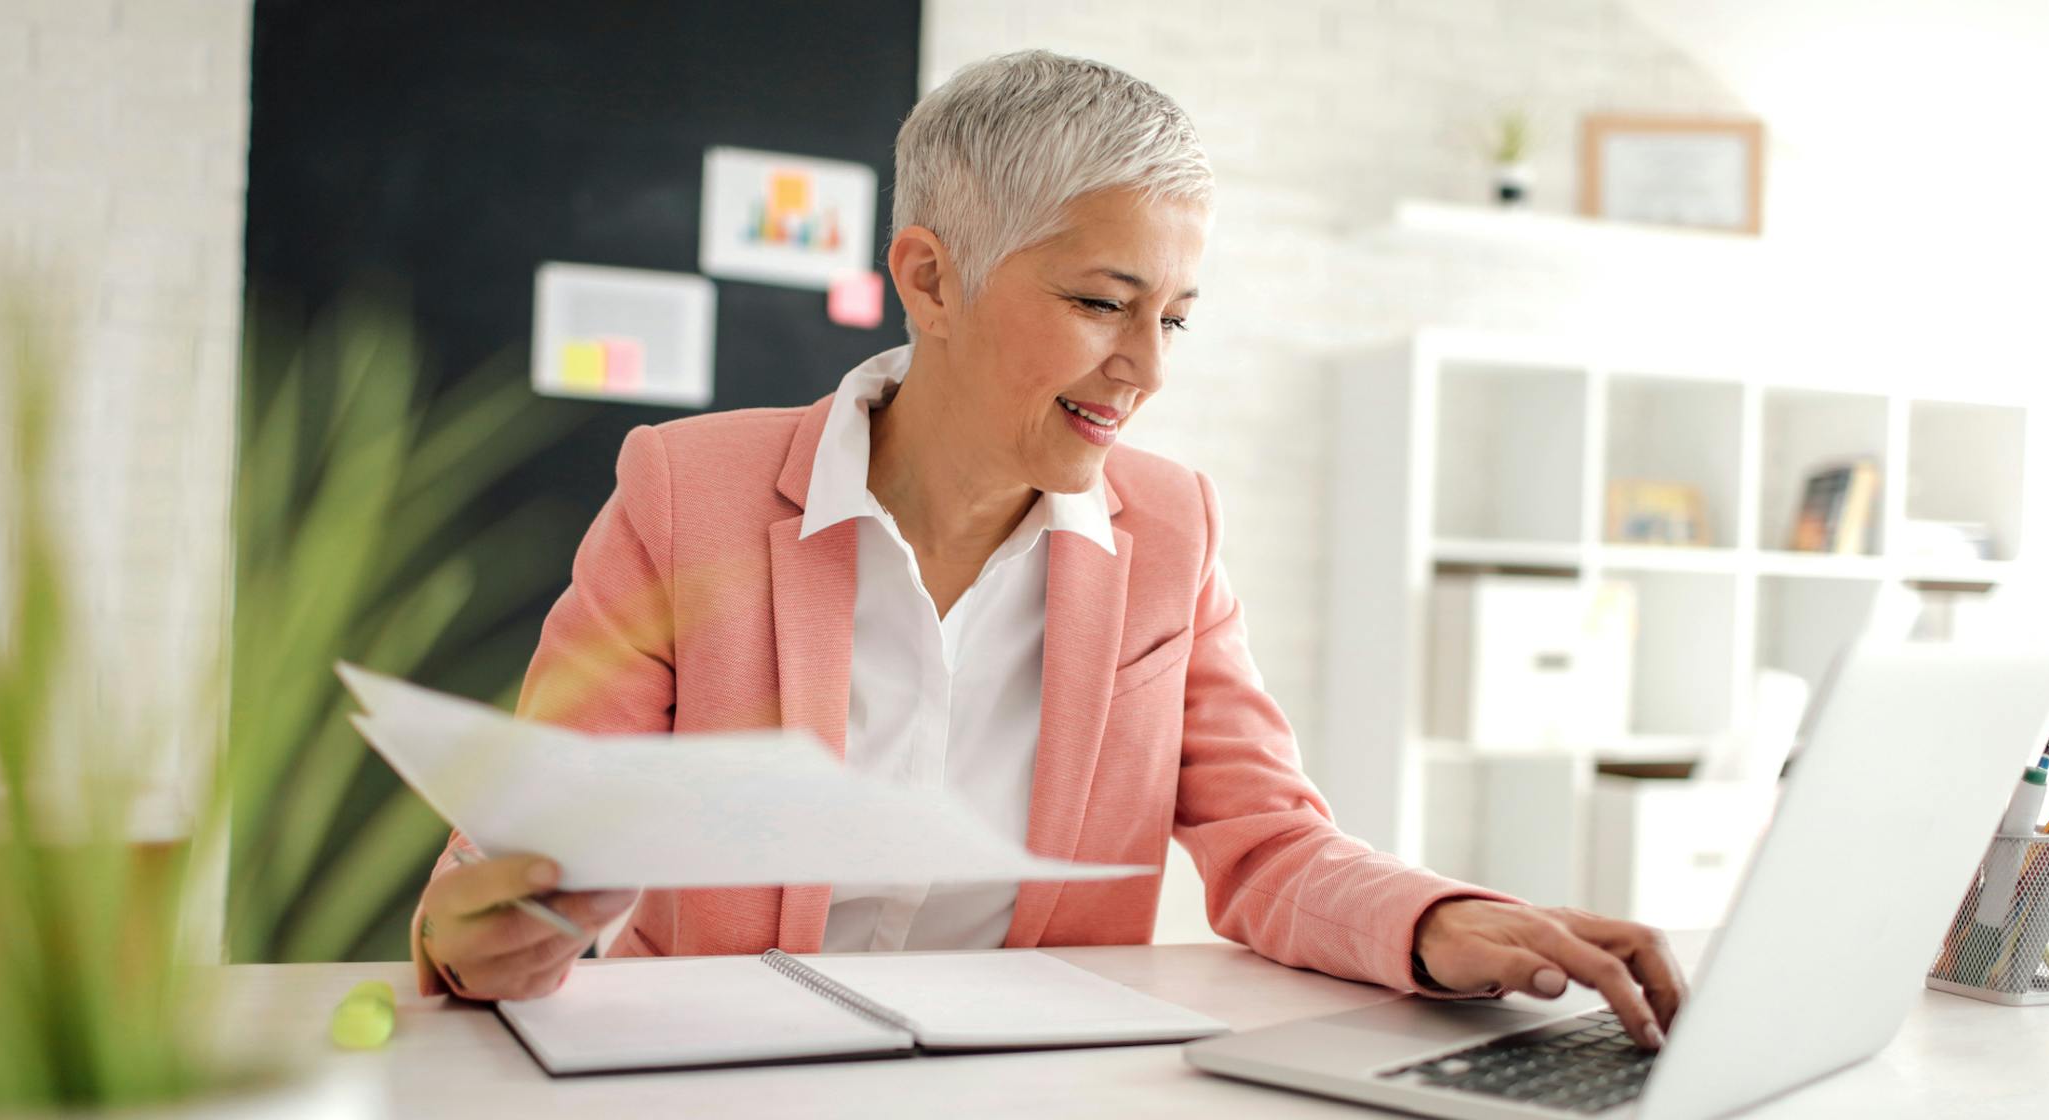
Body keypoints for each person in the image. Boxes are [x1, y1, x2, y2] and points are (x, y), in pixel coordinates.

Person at [407, 49, 1685, 1050]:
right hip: (731, 1082)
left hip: (1034, 1080)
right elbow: (528, 841)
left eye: (1176, 318)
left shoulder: (1170, 530)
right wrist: (484, 934)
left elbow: (1267, 842)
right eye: (1099, 304)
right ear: (931, 275)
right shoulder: (690, 492)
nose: (1144, 369)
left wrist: (1441, 920)